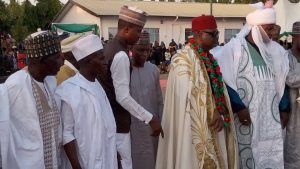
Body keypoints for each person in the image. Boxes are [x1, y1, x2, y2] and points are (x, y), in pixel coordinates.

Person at [213, 1, 290, 168]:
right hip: (245, 115)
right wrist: (238, 107)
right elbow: (226, 80)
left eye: (273, 28)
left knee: (271, 155)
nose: (272, 33)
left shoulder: (276, 50)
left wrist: (284, 108)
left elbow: (282, 80)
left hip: (270, 117)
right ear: (256, 27)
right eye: (268, 29)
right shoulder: (234, 49)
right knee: (246, 155)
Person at [156, 15, 238, 169]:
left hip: (216, 123)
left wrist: (222, 109)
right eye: (212, 34)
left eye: (217, 34)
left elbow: (217, 88)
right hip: (191, 125)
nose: (216, 38)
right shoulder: (182, 58)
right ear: (199, 34)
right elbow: (185, 91)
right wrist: (210, 110)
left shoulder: (210, 58)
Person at [97, 6, 163, 169]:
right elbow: (123, 97)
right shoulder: (120, 55)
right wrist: (151, 118)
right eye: (138, 31)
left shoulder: (110, 48)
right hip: (118, 125)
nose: (140, 35)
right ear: (126, 29)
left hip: (110, 121)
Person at [0, 30, 64, 169]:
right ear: (42, 60)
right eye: (58, 56)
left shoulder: (50, 82)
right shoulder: (15, 87)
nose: (63, 60)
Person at [56, 34, 117, 169]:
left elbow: (109, 127)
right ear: (88, 61)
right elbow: (66, 134)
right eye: (101, 58)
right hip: (85, 161)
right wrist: (76, 166)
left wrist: (117, 160)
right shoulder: (69, 90)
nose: (105, 61)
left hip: (107, 159)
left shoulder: (97, 85)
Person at [129, 31, 163, 169]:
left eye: (147, 50)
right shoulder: (124, 69)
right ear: (131, 48)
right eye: (140, 50)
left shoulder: (153, 70)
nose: (144, 54)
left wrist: (161, 121)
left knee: (153, 159)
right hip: (132, 127)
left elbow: (159, 100)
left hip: (152, 127)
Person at [284, 21, 300, 169]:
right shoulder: (285, 57)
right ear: (294, 37)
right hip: (292, 109)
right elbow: (290, 79)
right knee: (292, 143)